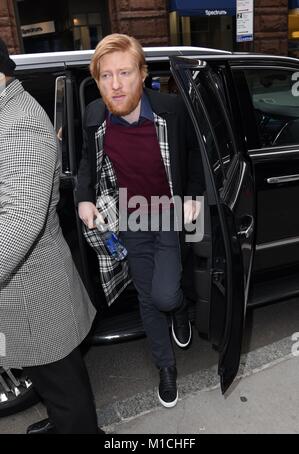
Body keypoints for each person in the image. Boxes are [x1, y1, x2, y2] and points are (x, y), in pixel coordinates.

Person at [76, 34, 203, 408]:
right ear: (97, 80)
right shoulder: (95, 116)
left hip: (169, 211)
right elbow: (87, 161)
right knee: (148, 299)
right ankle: (166, 369)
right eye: (105, 76)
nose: (115, 85)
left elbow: (194, 157)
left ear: (144, 74)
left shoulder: (172, 110)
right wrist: (84, 199)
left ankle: (178, 309)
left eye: (125, 73)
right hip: (130, 213)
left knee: (166, 294)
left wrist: (193, 196)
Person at [0, 38, 102, 434]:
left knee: (63, 386)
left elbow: (20, 223)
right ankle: (65, 424)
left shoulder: (19, 125)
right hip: (24, 294)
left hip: (33, 297)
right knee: (49, 380)